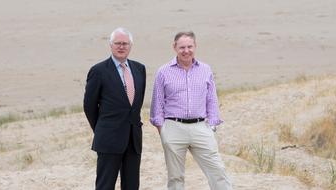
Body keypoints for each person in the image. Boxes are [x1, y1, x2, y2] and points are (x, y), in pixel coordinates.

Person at [150, 31, 232, 190]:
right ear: (174, 47)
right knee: (175, 177)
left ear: (195, 46)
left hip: (201, 127)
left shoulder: (205, 69)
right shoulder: (163, 71)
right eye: (182, 47)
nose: (186, 51)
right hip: (173, 127)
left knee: (218, 171)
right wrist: (163, 131)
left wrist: (212, 126)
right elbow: (157, 104)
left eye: (189, 46)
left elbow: (212, 99)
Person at [84, 27, 146, 190]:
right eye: (117, 43)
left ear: (130, 46)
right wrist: (101, 128)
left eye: (125, 43)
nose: (121, 47)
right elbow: (89, 106)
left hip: (133, 139)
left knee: (132, 185)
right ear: (110, 45)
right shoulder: (98, 71)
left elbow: (135, 105)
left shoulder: (140, 69)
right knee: (105, 185)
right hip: (108, 138)